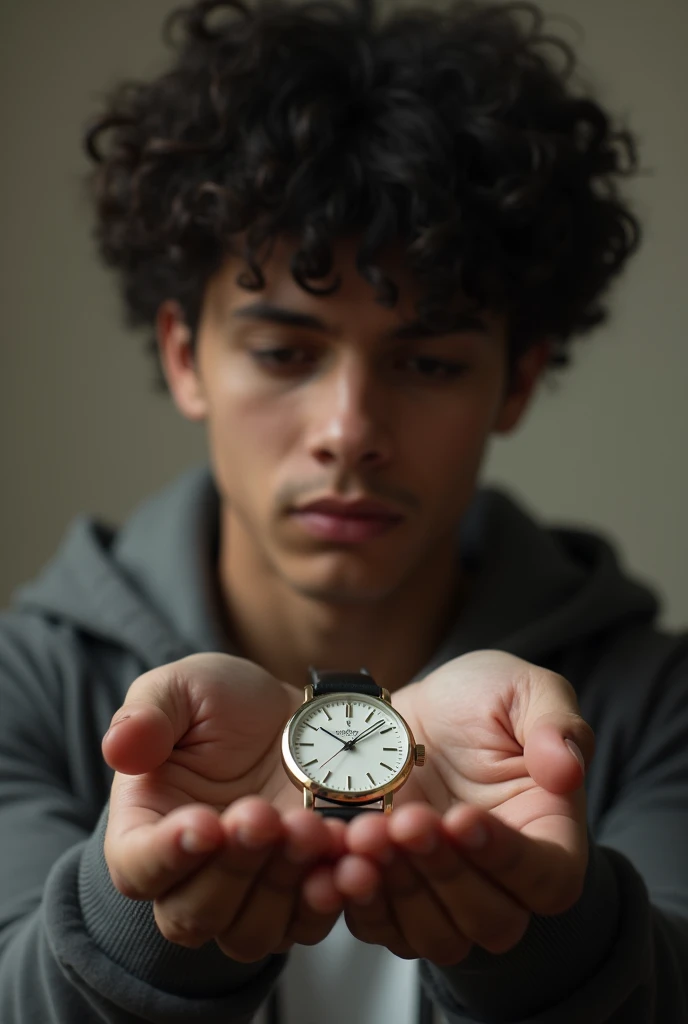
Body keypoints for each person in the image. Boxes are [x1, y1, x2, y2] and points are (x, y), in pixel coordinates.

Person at [0, 0, 686, 1021]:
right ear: (186, 356)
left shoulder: (652, 704)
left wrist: (557, 939)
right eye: (284, 352)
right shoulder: (28, 687)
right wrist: (132, 917)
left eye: (428, 361)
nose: (349, 428)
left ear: (516, 381)